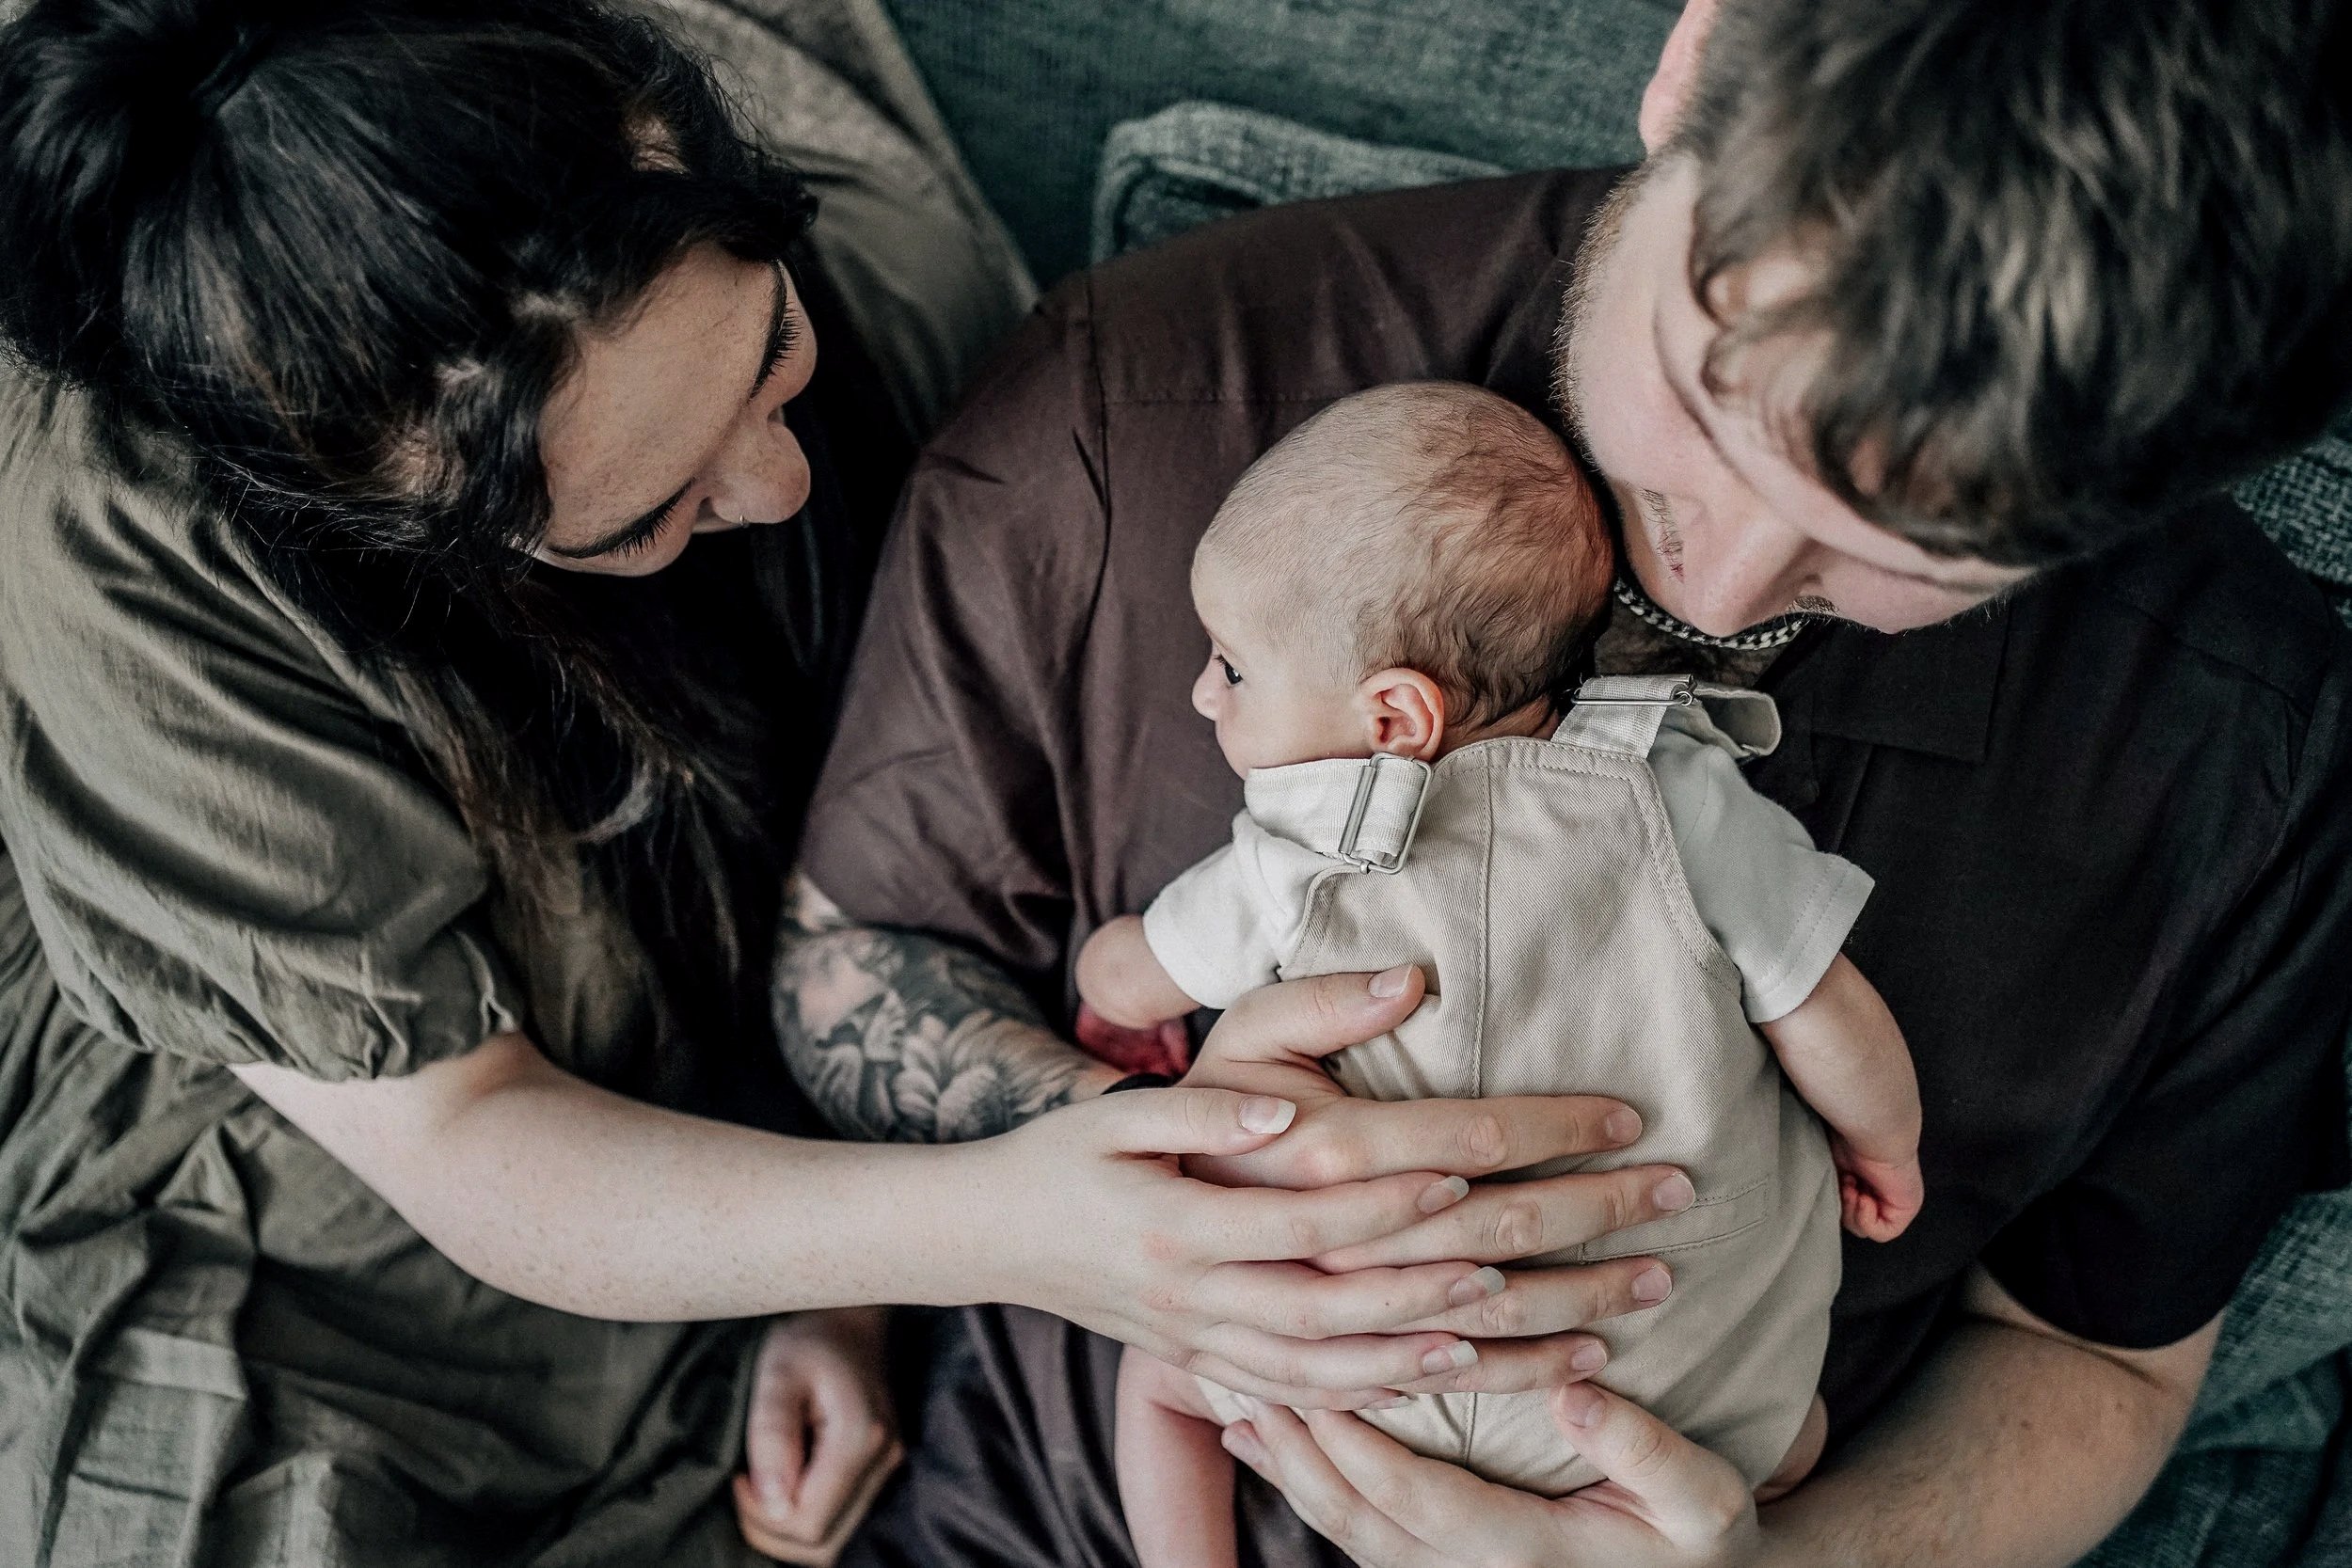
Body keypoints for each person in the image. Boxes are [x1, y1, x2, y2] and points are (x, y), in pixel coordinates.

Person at [0, 1, 1669, 1561]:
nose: (784, 484)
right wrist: (986, 1232)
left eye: (775, 357)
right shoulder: (130, 541)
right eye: (640, 523)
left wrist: (856, 1268)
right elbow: (463, 1138)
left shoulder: (796, 194)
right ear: (386, 523)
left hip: (749, 1141)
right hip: (317, 1221)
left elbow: (890, 820)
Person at [778, 0, 2352, 1563]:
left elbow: (2099, 1356)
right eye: (1702, 405)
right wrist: (1172, 1187)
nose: (1722, 589)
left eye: (1906, 561)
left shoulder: (2240, 754)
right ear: (1695, 60)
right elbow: (851, 968)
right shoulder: (1147, 401)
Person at [1084, 382, 1924, 1568]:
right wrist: (1885, 1144)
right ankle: (1773, 1444)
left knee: (1162, 1380)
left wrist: (1105, 982)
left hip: (1371, 1368)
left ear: (1392, 717)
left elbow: (1148, 969)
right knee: (1791, 1438)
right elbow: (1823, 1002)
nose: (1202, 694)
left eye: (1230, 664)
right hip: (1653, 1385)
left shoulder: (1301, 845)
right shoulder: (1672, 789)